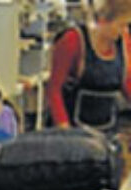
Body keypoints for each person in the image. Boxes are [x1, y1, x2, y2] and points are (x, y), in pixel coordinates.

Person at [46, 0, 131, 133]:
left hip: (108, 128)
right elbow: (54, 89)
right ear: (103, 21)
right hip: (73, 128)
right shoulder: (73, 41)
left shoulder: (124, 42)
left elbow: (126, 81)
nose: (124, 30)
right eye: (121, 25)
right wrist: (64, 128)